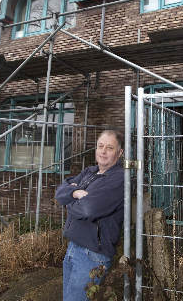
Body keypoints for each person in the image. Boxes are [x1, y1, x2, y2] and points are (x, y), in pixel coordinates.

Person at [55, 129, 125, 301]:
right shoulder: (89, 172)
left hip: (92, 254)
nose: (103, 151)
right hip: (74, 247)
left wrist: (70, 199)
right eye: (100, 146)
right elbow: (60, 192)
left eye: (109, 148)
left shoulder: (119, 179)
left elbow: (88, 210)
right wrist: (76, 194)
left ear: (120, 152)